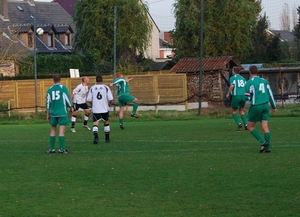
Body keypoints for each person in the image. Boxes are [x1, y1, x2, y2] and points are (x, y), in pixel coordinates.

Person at [245, 65, 277, 153]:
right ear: (257, 72)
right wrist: (274, 107)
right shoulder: (264, 81)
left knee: (250, 126)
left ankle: (263, 142)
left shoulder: (249, 82)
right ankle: (268, 148)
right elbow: (270, 95)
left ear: (249, 72)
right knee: (265, 127)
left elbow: (247, 96)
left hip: (255, 106)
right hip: (265, 106)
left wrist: (248, 99)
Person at [46, 73, 72, 154]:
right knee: (62, 131)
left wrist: (48, 114)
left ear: (53, 80)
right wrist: (71, 108)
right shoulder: (63, 88)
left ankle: (52, 148)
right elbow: (68, 100)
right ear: (60, 79)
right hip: (62, 113)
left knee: (53, 129)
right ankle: (61, 149)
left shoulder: (49, 89)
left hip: (53, 113)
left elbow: (48, 103)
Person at [87, 74, 113, 144]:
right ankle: (107, 139)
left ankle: (96, 138)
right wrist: (109, 104)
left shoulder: (92, 88)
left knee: (95, 123)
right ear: (102, 80)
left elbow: (89, 99)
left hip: (96, 109)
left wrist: (93, 104)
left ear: (96, 80)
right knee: (106, 122)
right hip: (104, 109)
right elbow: (110, 98)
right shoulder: (106, 87)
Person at [226, 67, 248, 131]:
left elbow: (232, 86)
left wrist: (228, 93)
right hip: (243, 96)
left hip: (236, 96)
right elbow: (246, 87)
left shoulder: (233, 78)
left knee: (233, 110)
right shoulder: (243, 78)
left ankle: (239, 123)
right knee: (241, 110)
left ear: (234, 71)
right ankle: (246, 124)